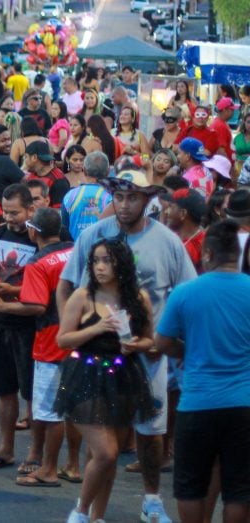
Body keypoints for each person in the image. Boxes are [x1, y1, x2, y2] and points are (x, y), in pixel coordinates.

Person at [57, 169, 197, 523]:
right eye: (118, 197)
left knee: (151, 433)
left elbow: (186, 293)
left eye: (132, 197)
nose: (123, 204)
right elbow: (67, 285)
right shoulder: (94, 235)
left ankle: (151, 501)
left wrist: (165, 341)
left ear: (148, 200)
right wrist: (74, 328)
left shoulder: (167, 241)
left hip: (149, 355)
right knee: (104, 441)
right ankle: (88, 512)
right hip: (97, 358)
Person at [156, 220, 250, 523]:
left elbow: (162, 341)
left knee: (190, 486)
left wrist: (185, 352)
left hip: (198, 402)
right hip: (244, 404)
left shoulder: (185, 293)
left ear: (207, 253)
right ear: (237, 254)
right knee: (240, 490)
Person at [57, 238, 157, 523]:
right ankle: (80, 512)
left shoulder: (138, 298)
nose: (100, 267)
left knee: (105, 456)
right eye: (96, 261)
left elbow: (151, 338)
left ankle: (97, 516)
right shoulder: (83, 296)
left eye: (107, 261)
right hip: (85, 375)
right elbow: (63, 340)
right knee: (107, 452)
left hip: (124, 376)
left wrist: (137, 345)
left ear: (122, 264)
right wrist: (98, 327)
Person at [0, 208, 75, 488]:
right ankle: (68, 464)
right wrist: (13, 290)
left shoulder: (38, 261)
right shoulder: (73, 250)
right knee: (69, 406)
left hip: (49, 338)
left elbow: (38, 306)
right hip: (76, 335)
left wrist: (2, 305)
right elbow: (49, 290)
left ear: (33, 231)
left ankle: (47, 467)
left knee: (49, 410)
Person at [0, 183, 38, 471]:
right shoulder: (0, 233)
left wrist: (10, 293)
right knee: (4, 389)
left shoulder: (39, 237)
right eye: (5, 212)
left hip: (29, 324)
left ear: (30, 209)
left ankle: (35, 454)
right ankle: (6, 447)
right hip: (0, 320)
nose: (9, 217)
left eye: (15, 212)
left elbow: (46, 285)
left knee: (32, 392)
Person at [60, 151, 112, 240]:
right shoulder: (112, 197)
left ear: (84, 171)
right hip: (105, 252)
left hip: (74, 251)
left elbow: (64, 229)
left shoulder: (70, 196)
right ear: (108, 172)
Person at [23, 141, 70, 208]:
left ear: (34, 157)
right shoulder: (31, 176)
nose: (25, 161)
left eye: (26, 157)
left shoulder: (58, 181)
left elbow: (59, 211)